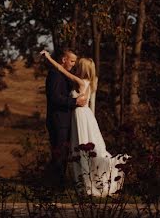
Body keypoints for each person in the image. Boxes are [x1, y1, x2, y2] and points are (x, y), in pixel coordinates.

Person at [42, 50, 129, 197]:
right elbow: (91, 104)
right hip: (85, 116)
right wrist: (92, 122)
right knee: (79, 150)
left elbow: (60, 68)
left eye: (78, 64)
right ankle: (75, 184)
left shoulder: (80, 82)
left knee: (80, 150)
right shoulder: (91, 81)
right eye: (73, 62)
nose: (75, 65)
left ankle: (81, 185)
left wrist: (49, 58)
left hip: (80, 116)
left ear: (83, 68)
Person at [45, 49, 86, 186]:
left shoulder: (65, 75)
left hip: (65, 120)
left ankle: (57, 183)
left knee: (63, 154)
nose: (73, 64)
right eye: (72, 61)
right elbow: (55, 98)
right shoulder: (55, 75)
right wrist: (74, 102)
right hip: (58, 120)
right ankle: (54, 185)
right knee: (59, 153)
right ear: (63, 60)